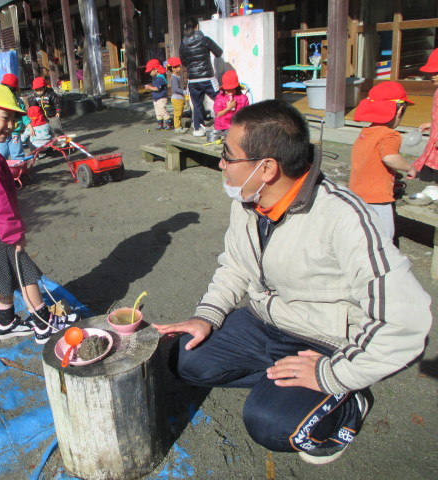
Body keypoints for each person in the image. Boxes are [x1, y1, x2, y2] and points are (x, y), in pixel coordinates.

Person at [153, 99, 431, 465]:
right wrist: (207, 316)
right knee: (183, 359)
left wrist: (334, 375)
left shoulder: (344, 217)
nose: (221, 164)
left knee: (270, 424)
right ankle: (285, 385)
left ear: (266, 167)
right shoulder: (249, 199)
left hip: (324, 339)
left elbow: (405, 321)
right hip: (264, 321)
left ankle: (347, 402)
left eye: (227, 154)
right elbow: (236, 265)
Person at [0, 83, 80, 344]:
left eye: (12, 119)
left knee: (2, 274)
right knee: (25, 272)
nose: (10, 125)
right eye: (4, 118)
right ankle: (43, 323)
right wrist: (14, 234)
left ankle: (5, 322)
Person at [349, 81, 417, 240]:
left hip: (357, 194)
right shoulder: (389, 135)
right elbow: (389, 157)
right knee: (383, 238)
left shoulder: (366, 132)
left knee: (363, 235)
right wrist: (409, 167)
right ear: (400, 110)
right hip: (378, 198)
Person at [179, 17, 223, 137]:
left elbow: (183, 61)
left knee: (196, 104)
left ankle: (198, 128)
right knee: (220, 99)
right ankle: (224, 124)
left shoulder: (183, 44)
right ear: (196, 27)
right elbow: (219, 52)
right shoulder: (204, 40)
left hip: (193, 80)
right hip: (207, 77)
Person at [0, 73, 34, 166]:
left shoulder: (18, 101)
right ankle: (2, 169)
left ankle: (19, 169)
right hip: (1, 131)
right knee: (1, 153)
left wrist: (29, 125)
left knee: (16, 152)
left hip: (14, 132)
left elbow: (23, 114)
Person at [413, 48, 438, 182]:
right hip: (435, 136)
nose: (433, 76)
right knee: (430, 162)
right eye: (431, 73)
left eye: (437, 73)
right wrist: (432, 123)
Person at [213, 70, 249, 137]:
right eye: (228, 90)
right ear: (224, 89)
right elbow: (217, 115)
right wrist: (228, 108)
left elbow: (247, 114)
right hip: (222, 127)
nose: (230, 93)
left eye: (232, 89)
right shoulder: (220, 98)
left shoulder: (243, 98)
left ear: (237, 88)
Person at [144, 59, 172, 131]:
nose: (149, 73)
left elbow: (158, 88)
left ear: (156, 70)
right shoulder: (156, 78)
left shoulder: (160, 78)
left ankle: (169, 124)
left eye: (150, 71)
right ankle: (160, 124)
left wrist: (149, 87)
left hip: (161, 97)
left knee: (162, 110)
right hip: (156, 98)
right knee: (157, 112)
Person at [168, 57, 188, 134]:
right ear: (173, 68)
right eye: (178, 66)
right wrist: (184, 91)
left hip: (179, 97)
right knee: (177, 113)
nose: (180, 67)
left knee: (180, 112)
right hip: (177, 98)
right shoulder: (174, 78)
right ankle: (177, 127)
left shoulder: (176, 77)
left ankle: (179, 126)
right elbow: (176, 89)